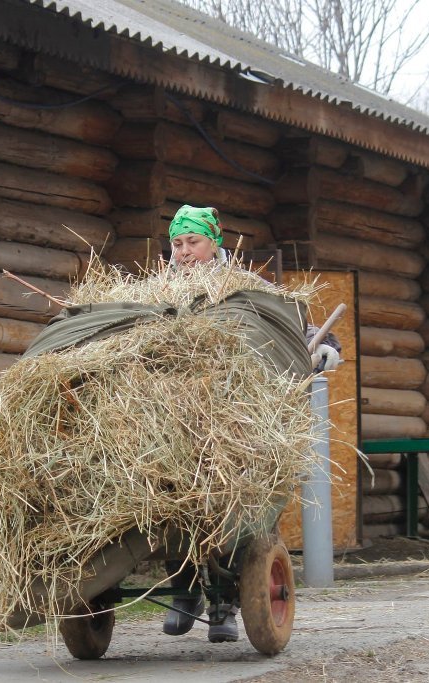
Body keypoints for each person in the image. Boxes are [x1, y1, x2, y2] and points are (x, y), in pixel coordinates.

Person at [161, 205, 341, 640]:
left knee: (234, 503)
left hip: (237, 419)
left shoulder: (245, 286)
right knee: (163, 495)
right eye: (178, 243)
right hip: (171, 418)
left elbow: (296, 324)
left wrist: (324, 347)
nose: (185, 253)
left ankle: (224, 601)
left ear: (215, 242)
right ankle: (184, 590)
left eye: (194, 243)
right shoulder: (155, 290)